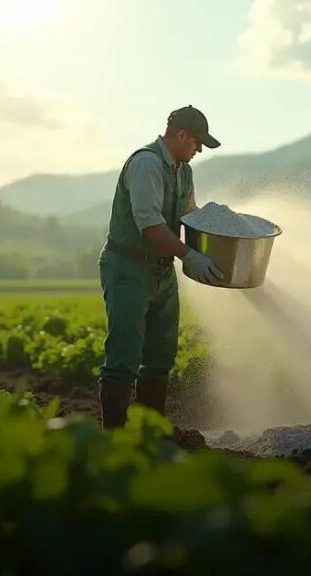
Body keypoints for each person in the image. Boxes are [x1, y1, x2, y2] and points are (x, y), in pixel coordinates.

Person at [97, 105, 225, 429]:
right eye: (197, 143)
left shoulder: (184, 171)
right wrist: (190, 257)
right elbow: (151, 225)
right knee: (123, 358)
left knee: (160, 358)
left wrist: (220, 236)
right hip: (128, 266)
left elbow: (190, 214)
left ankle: (150, 434)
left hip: (162, 269)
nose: (198, 150)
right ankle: (113, 438)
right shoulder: (146, 164)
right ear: (181, 134)